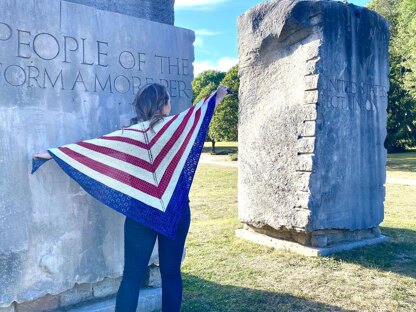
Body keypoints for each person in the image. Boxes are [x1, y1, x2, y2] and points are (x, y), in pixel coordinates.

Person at [33, 82, 230, 312]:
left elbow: (94, 149)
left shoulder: (128, 135)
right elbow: (199, 115)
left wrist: (53, 154)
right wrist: (217, 97)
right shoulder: (176, 127)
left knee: (132, 277)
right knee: (171, 274)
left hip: (140, 213)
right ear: (163, 104)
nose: (170, 103)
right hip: (175, 211)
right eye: (167, 99)